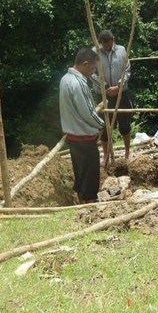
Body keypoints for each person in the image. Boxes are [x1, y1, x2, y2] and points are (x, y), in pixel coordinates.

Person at [60, 48, 105, 204]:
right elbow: (88, 113)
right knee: (90, 174)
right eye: (92, 68)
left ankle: (82, 203)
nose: (92, 72)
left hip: (73, 135)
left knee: (80, 172)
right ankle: (90, 204)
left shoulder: (65, 79)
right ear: (85, 64)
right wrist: (101, 125)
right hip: (84, 135)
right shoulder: (79, 83)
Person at [92, 30, 132, 163]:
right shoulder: (95, 52)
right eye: (104, 44)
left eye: (109, 43)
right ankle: (106, 156)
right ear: (100, 43)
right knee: (104, 125)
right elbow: (92, 73)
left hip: (121, 93)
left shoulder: (121, 50)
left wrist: (119, 86)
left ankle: (128, 153)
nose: (107, 46)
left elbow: (127, 69)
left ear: (113, 40)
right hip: (103, 94)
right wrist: (105, 86)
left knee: (125, 122)